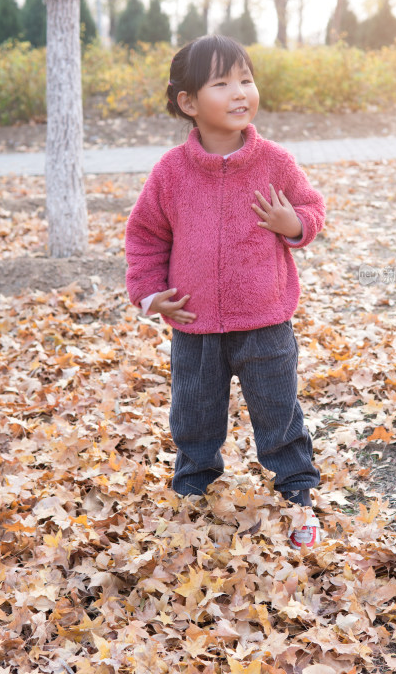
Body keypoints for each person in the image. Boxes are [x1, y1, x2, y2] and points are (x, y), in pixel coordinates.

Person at [125, 35, 326, 549]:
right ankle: (192, 487)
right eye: (222, 83)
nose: (240, 93)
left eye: (246, 79)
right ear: (188, 102)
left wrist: (293, 222)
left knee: (278, 410)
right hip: (194, 324)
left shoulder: (274, 162)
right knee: (194, 412)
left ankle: (297, 491)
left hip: (265, 320)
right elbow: (146, 235)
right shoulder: (171, 172)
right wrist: (149, 292)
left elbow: (312, 210)